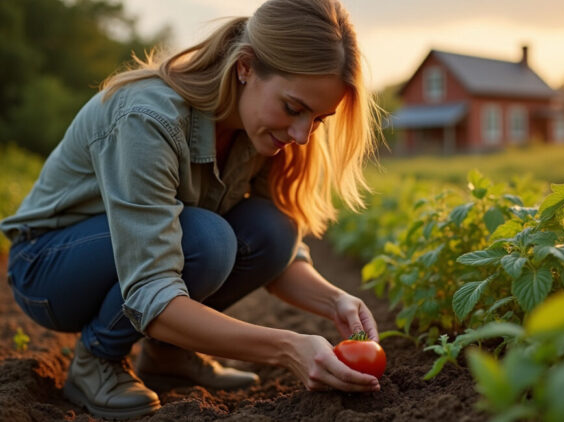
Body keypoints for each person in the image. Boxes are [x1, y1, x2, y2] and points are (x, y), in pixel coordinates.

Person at [0, 0, 382, 418]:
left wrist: (335, 301)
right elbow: (151, 287)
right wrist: (287, 346)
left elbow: (276, 255)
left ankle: (168, 355)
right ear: (245, 67)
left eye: (318, 119)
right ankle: (96, 360)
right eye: (294, 108)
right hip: (47, 269)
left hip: (128, 259)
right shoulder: (148, 118)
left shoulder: (255, 129)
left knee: (274, 230)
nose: (302, 135)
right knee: (206, 239)